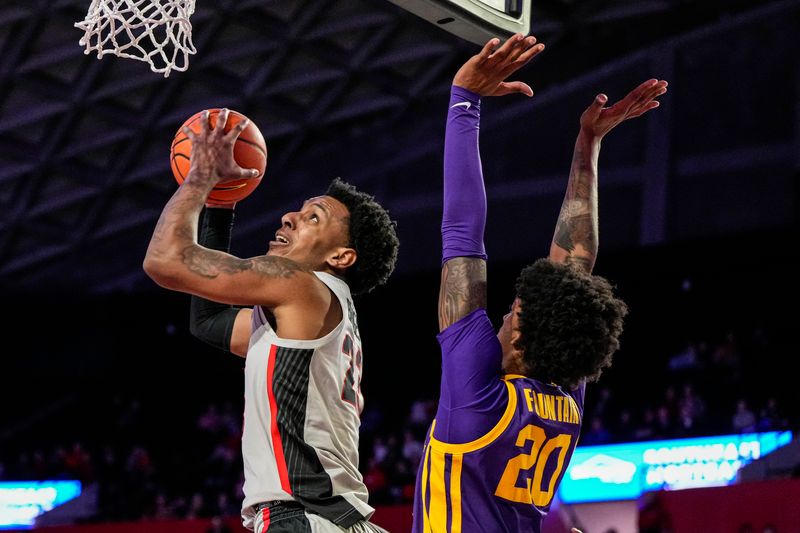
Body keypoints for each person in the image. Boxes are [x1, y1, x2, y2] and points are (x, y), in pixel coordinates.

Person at [412, 34, 667, 532]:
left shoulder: (477, 400)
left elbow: (463, 234)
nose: (505, 315)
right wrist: (589, 144)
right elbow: (574, 265)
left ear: (524, 337)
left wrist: (465, 101)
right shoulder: (565, 393)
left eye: (511, 313)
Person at [143, 109, 399, 532]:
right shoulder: (312, 309)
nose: (289, 218)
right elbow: (208, 322)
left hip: (306, 517)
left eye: (312, 218)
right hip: (333, 519)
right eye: (299, 211)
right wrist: (220, 205)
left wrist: (200, 177)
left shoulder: (302, 285)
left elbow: (165, 260)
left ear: (340, 257)